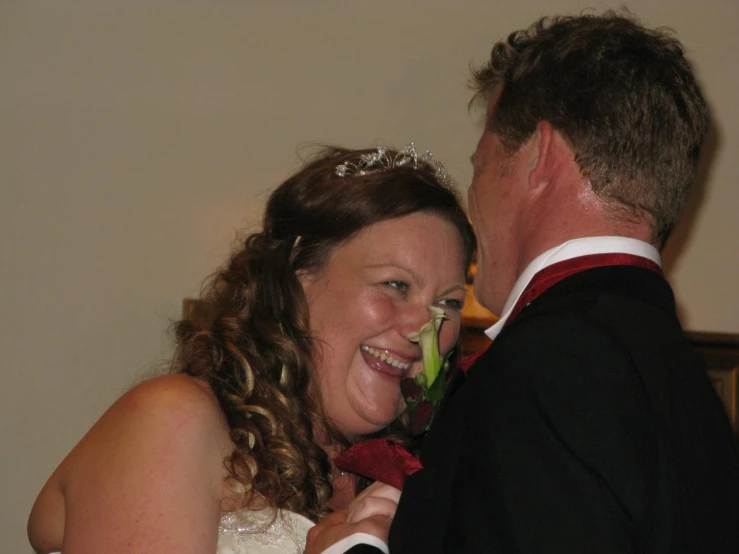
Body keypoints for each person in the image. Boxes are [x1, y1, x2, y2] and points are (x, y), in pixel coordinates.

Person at [308, 10, 739, 554]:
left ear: (540, 157)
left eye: (482, 163)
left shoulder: (554, 360)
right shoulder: (683, 385)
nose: (475, 197)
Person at [26, 144, 476, 554]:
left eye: (448, 304)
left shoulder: (410, 474)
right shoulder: (171, 420)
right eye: (395, 284)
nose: (426, 328)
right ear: (300, 274)